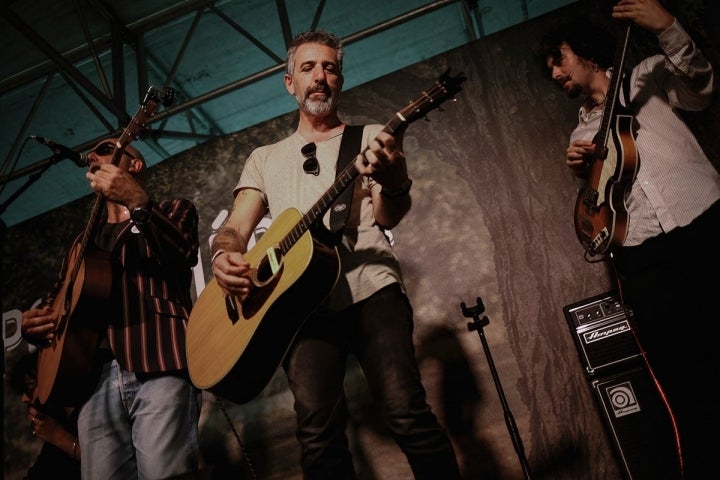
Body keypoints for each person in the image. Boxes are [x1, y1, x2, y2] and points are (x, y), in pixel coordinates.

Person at [210, 30, 462, 479]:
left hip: (371, 289)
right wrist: (222, 256)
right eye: (308, 68)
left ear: (340, 80)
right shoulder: (264, 158)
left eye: (329, 67)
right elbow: (233, 229)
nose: (319, 77)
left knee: (406, 413)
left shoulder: (370, 138)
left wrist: (396, 174)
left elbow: (388, 215)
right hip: (300, 309)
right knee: (317, 437)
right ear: (290, 83)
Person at [540, 1, 720, 478]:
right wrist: (585, 179)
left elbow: (702, 91)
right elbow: (601, 211)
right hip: (645, 254)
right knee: (688, 377)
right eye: (549, 69)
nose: (554, 73)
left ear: (585, 52)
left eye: (558, 59)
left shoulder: (646, 75)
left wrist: (668, 27)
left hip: (703, 222)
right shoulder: (582, 132)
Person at [21, 138, 202, 479]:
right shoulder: (81, 243)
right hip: (92, 380)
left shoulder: (173, 209)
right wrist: (35, 324)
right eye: (92, 154)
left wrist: (136, 199)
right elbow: (55, 302)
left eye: (106, 148)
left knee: (166, 473)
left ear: (134, 165)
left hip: (158, 361)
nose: (93, 155)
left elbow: (181, 254)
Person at [8, 351, 81, 479]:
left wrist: (59, 437)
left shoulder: (81, 411)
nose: (24, 399)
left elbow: (103, 462)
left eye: (29, 388)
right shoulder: (56, 420)